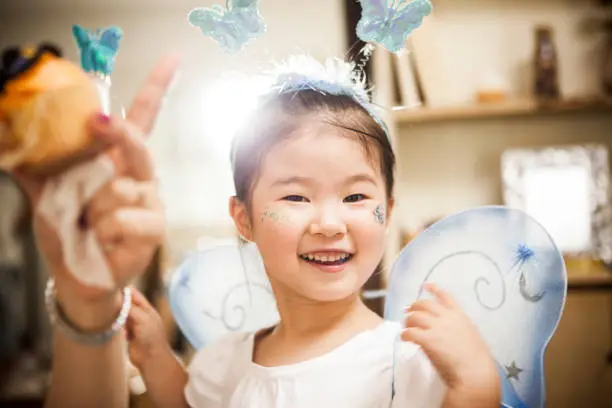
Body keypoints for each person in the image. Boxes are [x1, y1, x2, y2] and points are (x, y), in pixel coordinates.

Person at [10, 54, 500, 407]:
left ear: (387, 213)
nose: (329, 224)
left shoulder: (412, 359)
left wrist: (476, 388)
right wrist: (158, 357)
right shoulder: (223, 360)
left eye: (355, 197)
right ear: (243, 218)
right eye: (294, 197)